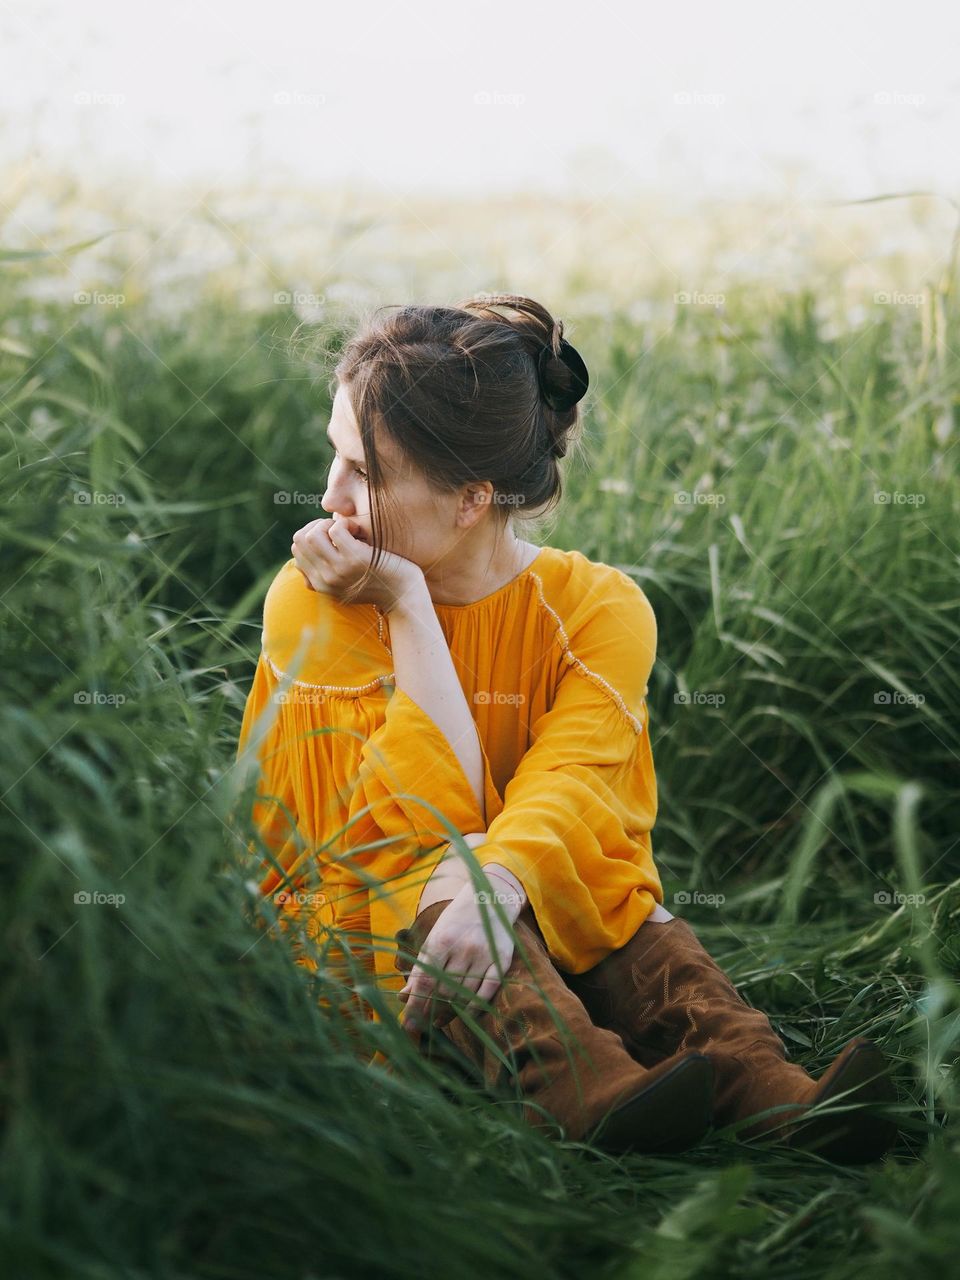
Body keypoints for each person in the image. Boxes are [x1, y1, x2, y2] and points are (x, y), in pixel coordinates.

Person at [234, 293, 897, 1162]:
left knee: (610, 885)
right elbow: (426, 815)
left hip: (510, 893)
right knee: (457, 869)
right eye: (335, 458)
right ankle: (579, 1088)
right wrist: (404, 603)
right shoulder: (318, 600)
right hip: (363, 911)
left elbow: (577, 777)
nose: (331, 497)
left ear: (472, 497)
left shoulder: (599, 607)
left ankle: (773, 1096)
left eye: (367, 473)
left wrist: (503, 879)